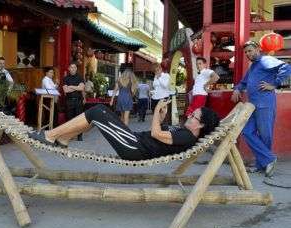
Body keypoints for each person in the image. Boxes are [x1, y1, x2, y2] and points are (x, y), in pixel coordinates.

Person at [28, 100, 220, 161]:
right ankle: (63, 139)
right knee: (99, 114)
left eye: (193, 116)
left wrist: (154, 112)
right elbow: (160, 133)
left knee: (98, 111)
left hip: (133, 147)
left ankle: (50, 135)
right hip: (134, 141)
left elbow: (155, 134)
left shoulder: (187, 137)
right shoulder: (185, 132)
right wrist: (161, 117)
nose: (189, 115)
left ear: (201, 125)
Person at [231, 40, 291, 177]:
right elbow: (244, 82)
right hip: (252, 105)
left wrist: (274, 84)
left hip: (265, 104)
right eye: (246, 52)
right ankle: (268, 160)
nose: (247, 53)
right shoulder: (253, 66)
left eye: (250, 50)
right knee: (246, 131)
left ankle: (262, 164)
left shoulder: (266, 60)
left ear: (258, 49)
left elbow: (287, 68)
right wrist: (237, 89)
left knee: (265, 136)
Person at [63, 62, 85, 141]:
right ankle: (70, 135)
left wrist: (71, 86)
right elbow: (66, 90)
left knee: (79, 119)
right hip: (69, 101)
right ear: (69, 69)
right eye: (71, 67)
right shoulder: (65, 78)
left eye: (74, 67)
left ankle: (79, 136)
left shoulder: (80, 77)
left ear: (76, 68)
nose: (73, 69)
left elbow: (81, 88)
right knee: (69, 119)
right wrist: (77, 87)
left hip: (78, 101)